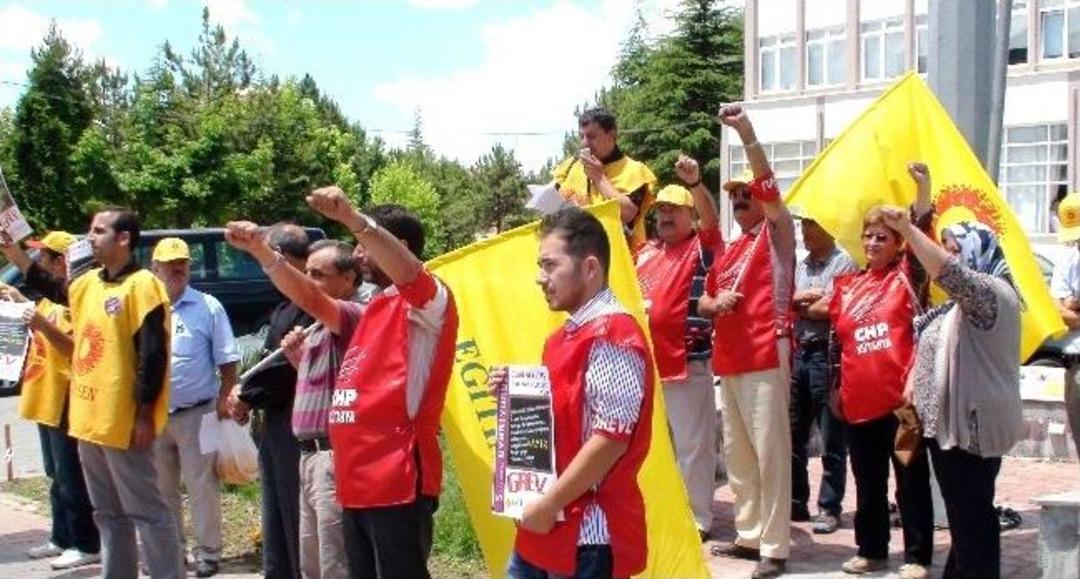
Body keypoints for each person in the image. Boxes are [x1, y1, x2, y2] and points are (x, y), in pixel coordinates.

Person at [0, 208, 183, 578]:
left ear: (124, 239)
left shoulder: (142, 286)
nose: (90, 237)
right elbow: (54, 288)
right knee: (108, 514)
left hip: (124, 419)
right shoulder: (89, 284)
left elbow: (152, 354)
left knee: (147, 511)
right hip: (89, 419)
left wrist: (145, 414)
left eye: (98, 231)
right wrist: (16, 255)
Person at [300, 189, 458, 579]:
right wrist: (264, 255)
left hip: (398, 479)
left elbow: (411, 274)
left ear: (398, 246)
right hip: (358, 480)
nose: (356, 253)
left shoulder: (429, 298)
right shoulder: (375, 306)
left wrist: (354, 218)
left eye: (363, 244)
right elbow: (309, 297)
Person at [493, 207, 653, 579]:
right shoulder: (565, 337)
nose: (539, 278)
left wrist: (548, 504)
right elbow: (568, 415)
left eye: (550, 265)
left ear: (590, 268)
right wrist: (518, 392)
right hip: (548, 526)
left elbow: (610, 440)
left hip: (585, 536)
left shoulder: (613, 335)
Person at [883, 207, 1024, 579]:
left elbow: (948, 271)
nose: (947, 255)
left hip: (969, 431)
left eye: (955, 248)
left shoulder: (991, 294)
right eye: (945, 247)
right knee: (967, 518)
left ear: (978, 251)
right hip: (946, 430)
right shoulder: (953, 307)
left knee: (972, 521)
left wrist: (908, 230)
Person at [225, 229, 366, 579]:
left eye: (317, 274)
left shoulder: (351, 315)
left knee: (335, 562)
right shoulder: (314, 325)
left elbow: (350, 386)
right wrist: (300, 361)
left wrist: (260, 251)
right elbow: (322, 381)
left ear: (349, 279)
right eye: (306, 273)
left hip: (332, 455)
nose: (309, 282)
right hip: (307, 454)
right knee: (311, 563)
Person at [701, 105, 794, 579]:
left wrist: (746, 134)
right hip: (731, 357)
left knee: (769, 451)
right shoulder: (731, 248)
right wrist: (712, 305)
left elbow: (768, 181)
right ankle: (750, 532)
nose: (739, 201)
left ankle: (775, 546)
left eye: (745, 194)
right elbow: (702, 299)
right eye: (733, 196)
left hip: (765, 349)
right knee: (738, 454)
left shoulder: (778, 233)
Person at [828, 164, 934, 579]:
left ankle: (918, 557)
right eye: (869, 236)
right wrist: (835, 384)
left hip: (902, 404)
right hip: (858, 403)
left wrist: (921, 189)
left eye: (882, 237)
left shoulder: (908, 276)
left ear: (897, 245)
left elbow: (922, 230)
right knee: (867, 483)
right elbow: (839, 340)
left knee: (910, 480)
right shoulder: (847, 285)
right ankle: (871, 550)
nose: (873, 242)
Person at [634, 155, 722, 540]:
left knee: (693, 447)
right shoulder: (645, 253)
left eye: (674, 211)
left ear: (691, 216)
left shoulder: (701, 247)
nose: (665, 217)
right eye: (661, 211)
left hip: (686, 363)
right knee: (652, 449)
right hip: (646, 366)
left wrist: (695, 185)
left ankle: (698, 518)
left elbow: (713, 220)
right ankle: (662, 511)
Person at [9, 231, 100, 570]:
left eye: (43, 258)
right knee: (55, 473)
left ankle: (85, 541)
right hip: (45, 399)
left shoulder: (78, 303)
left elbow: (78, 352)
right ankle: (61, 536)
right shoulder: (51, 300)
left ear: (60, 262)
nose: (37, 263)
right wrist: (17, 300)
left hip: (67, 399)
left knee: (71, 473)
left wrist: (43, 326)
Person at [150, 237, 239, 577]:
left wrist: (225, 395)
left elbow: (228, 359)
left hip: (197, 413)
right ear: (154, 269)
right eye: (170, 263)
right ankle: (172, 551)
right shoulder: (143, 308)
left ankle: (209, 554)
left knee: (202, 484)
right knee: (161, 488)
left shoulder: (208, 306)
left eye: (183, 262)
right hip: (155, 415)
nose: (178, 269)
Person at [228, 223, 312, 579]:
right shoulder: (283, 305)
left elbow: (283, 369)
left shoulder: (310, 306)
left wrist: (246, 395)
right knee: (275, 514)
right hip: (274, 422)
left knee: (295, 516)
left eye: (268, 257)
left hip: (297, 423)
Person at [789, 217, 855, 534]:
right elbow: (790, 302)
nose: (807, 233)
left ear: (830, 228)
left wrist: (803, 304)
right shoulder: (801, 266)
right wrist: (804, 302)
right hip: (799, 353)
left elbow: (833, 308)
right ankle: (796, 502)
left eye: (813, 226)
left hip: (827, 358)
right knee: (793, 435)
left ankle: (829, 508)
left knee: (831, 439)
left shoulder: (844, 263)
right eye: (804, 227)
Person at [553, 107, 658, 249]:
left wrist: (599, 177)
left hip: (620, 260)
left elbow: (627, 214)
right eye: (581, 136)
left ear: (611, 135)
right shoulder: (569, 167)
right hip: (577, 257)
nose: (584, 143)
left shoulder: (635, 171)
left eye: (591, 136)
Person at [1050, 192, 1080, 461]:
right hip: (1075, 360)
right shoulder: (1068, 260)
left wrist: (1074, 303)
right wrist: (1069, 305)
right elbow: (1058, 311)